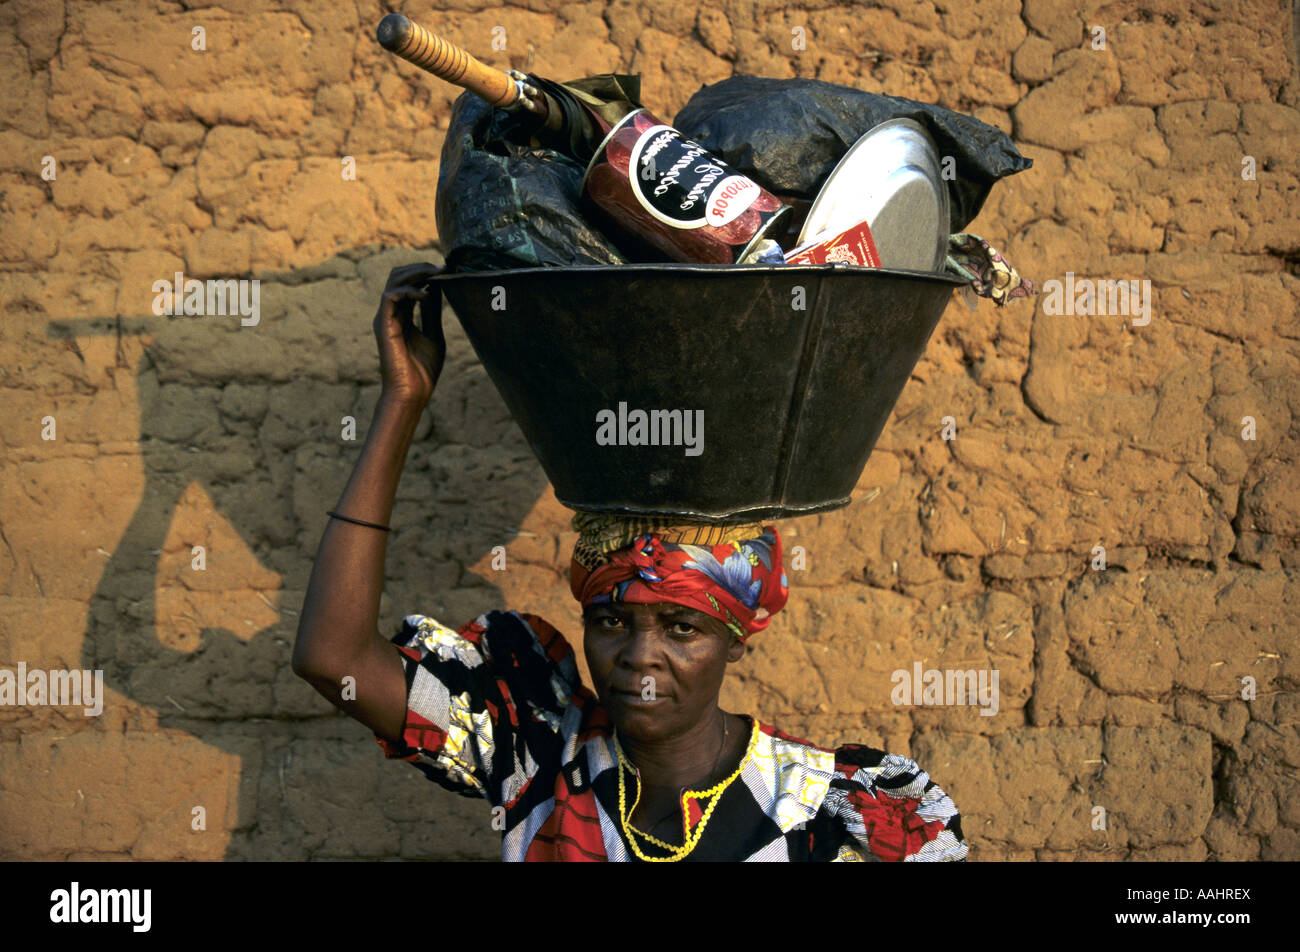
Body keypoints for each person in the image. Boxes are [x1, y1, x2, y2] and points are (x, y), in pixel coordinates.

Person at [292, 263, 968, 862]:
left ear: (735, 640)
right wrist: (402, 401)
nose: (640, 656)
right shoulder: (535, 755)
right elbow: (335, 658)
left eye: (681, 627)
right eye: (613, 621)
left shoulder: (828, 816)